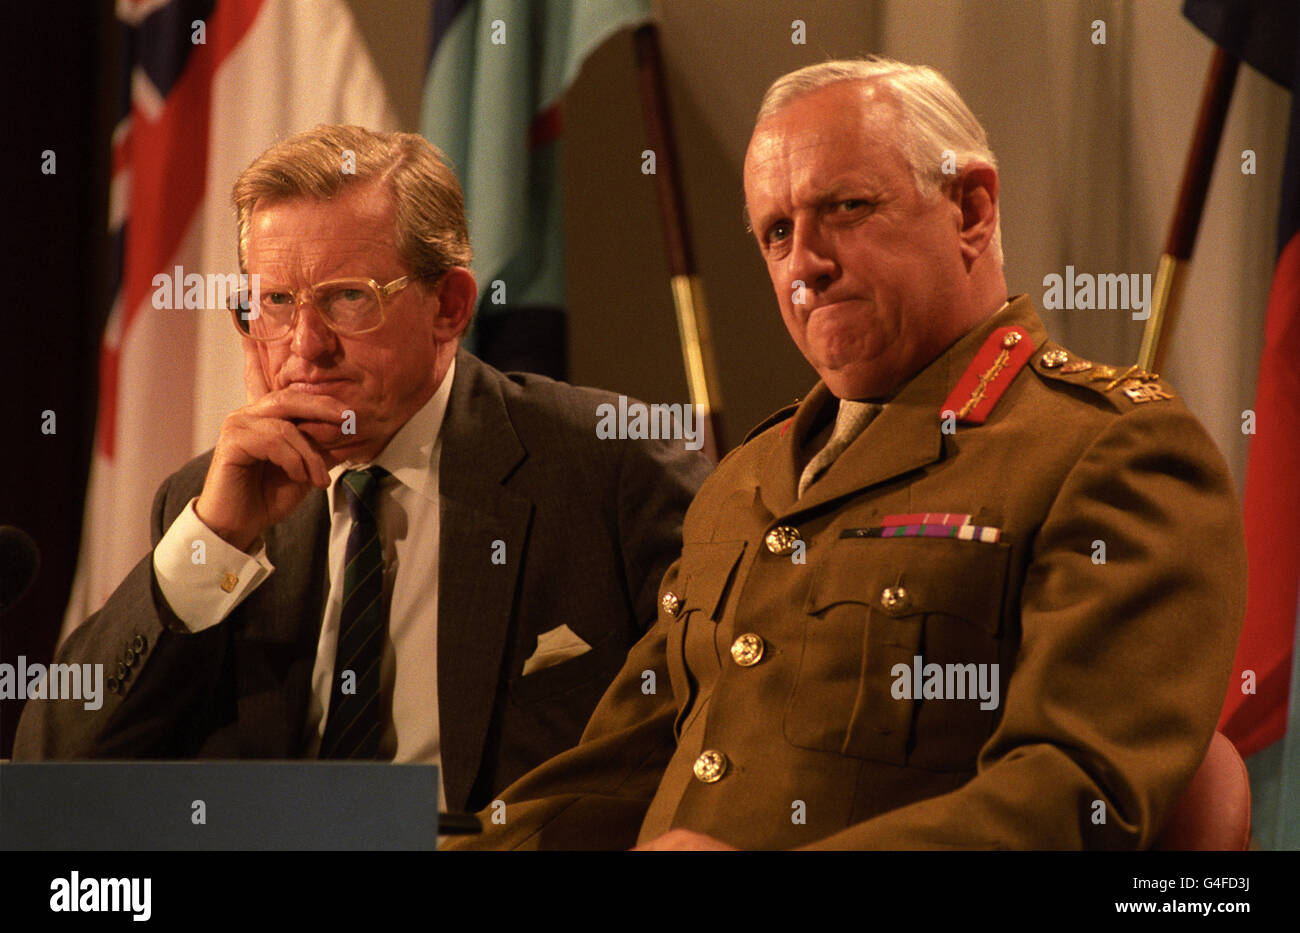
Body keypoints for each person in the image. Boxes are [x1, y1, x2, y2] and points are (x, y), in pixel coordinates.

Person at [445, 58, 1247, 850]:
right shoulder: (746, 478)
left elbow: (1075, 796)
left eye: (848, 208)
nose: (806, 264)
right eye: (777, 233)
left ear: (970, 209)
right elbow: (620, 773)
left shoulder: (1109, 450)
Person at [13, 126, 712, 816]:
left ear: (450, 306)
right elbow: (52, 767)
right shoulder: (208, 502)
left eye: (349, 297)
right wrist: (213, 539)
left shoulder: (609, 466)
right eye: (276, 304)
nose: (305, 346)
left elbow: (724, 722)